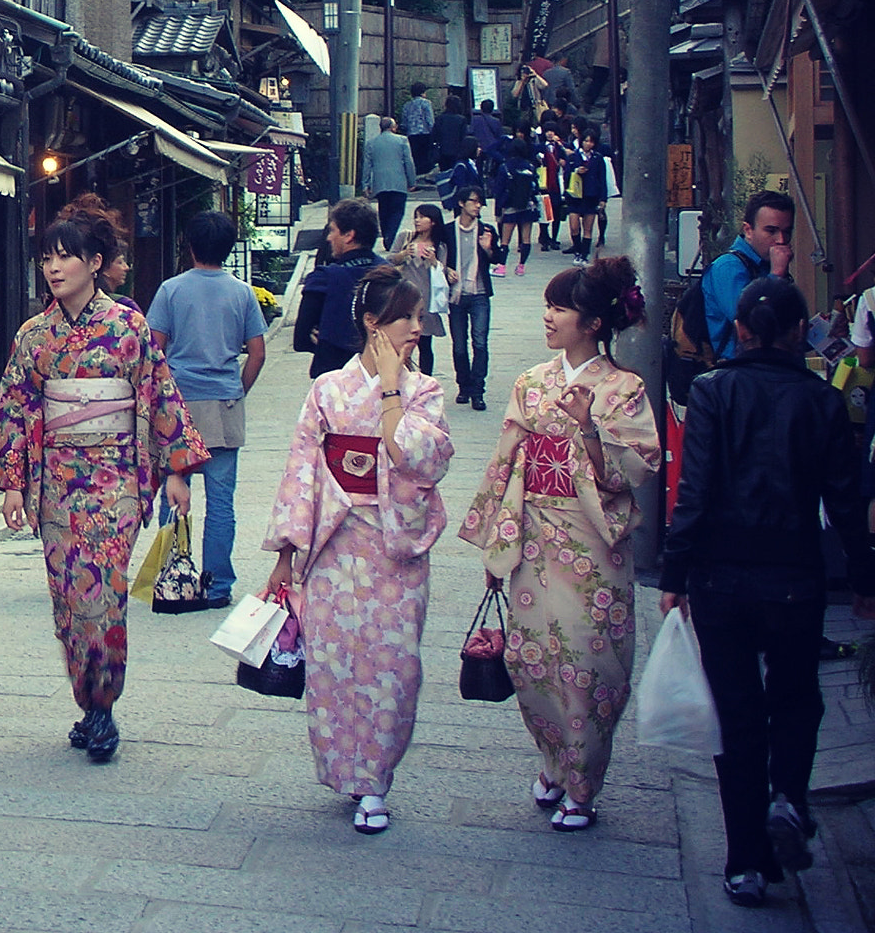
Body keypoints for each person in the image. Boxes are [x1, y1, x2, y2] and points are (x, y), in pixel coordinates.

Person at [661, 277, 875, 907]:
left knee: (737, 712)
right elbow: (845, 501)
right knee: (796, 699)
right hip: (796, 579)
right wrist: (864, 582)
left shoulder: (712, 392)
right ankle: (788, 795)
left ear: (742, 331)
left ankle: (743, 863)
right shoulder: (821, 401)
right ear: (796, 332)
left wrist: (674, 576)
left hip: (721, 580)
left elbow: (693, 492)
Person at [0, 198, 205, 761]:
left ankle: (104, 707)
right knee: (67, 597)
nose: (54, 268)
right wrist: (13, 482)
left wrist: (177, 469)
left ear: (94, 261)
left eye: (66, 257)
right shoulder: (35, 336)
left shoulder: (128, 326)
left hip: (114, 482)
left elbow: (158, 395)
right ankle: (89, 701)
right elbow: (16, 407)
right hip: (58, 483)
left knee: (102, 592)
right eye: (47, 258)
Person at [460, 258, 658, 833]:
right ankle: (553, 761)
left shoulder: (624, 388)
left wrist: (590, 429)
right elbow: (507, 466)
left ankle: (583, 784)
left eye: (560, 308)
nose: (547, 316)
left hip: (591, 544)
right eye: (548, 306)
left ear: (594, 322)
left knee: (589, 665)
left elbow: (635, 473)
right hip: (535, 537)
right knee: (532, 661)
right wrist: (497, 545)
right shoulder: (531, 382)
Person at [264, 264, 453, 836]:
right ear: (372, 323)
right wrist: (285, 552)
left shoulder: (425, 390)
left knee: (394, 665)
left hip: (391, 544)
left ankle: (375, 780)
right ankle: (346, 769)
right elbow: (301, 466)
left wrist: (394, 386)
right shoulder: (328, 390)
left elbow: (421, 460)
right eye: (406, 319)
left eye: (420, 318)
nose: (418, 329)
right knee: (335, 665)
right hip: (334, 545)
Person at [147, 211, 268, 613]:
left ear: (190, 245)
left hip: (179, 405)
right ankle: (217, 586)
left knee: (174, 495)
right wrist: (238, 388)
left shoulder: (171, 291)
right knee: (221, 502)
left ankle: (171, 576)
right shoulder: (243, 293)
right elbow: (257, 352)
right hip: (224, 402)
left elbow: (154, 348)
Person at [294, 199, 385, 378]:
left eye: (333, 230)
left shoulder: (323, 279)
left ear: (349, 235)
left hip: (334, 378)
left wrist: (326, 339)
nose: (328, 238)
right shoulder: (390, 275)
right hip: (383, 373)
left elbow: (301, 339)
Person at [703, 191, 797, 360]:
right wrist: (776, 275)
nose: (781, 240)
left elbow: (780, 332)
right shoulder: (728, 267)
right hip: (743, 373)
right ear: (748, 230)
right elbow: (754, 323)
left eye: (786, 231)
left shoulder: (765, 265)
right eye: (771, 231)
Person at [443, 184, 505, 410]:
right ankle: (464, 386)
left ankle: (478, 391)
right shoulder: (448, 230)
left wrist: (488, 249)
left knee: (480, 342)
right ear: (461, 203)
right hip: (455, 295)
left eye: (480, 202)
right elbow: (440, 257)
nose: (478, 205)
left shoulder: (486, 230)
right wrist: (445, 270)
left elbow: (498, 259)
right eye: (474, 201)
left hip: (479, 294)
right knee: (459, 345)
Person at [390, 204, 450, 378]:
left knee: (425, 344)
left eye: (422, 217)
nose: (417, 221)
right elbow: (390, 260)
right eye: (416, 217)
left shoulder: (440, 246)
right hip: (404, 298)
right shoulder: (405, 237)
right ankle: (402, 377)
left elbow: (443, 271)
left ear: (433, 222)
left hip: (426, 300)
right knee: (401, 343)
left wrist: (433, 261)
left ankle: (425, 380)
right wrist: (403, 254)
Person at [362, 115, 417, 246]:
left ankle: (387, 234)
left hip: (380, 183)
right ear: (393, 127)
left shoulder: (372, 143)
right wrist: (412, 181)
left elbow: (367, 165)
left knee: (384, 211)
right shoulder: (402, 141)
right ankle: (390, 236)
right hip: (398, 182)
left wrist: (365, 184)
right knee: (398, 211)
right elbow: (409, 162)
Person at [564, 127, 610, 266]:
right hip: (575, 196)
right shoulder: (573, 157)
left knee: (588, 228)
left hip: (591, 195)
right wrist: (576, 171)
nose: (588, 144)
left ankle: (584, 254)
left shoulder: (598, 158)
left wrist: (603, 198)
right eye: (586, 141)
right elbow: (566, 176)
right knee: (574, 225)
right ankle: (577, 250)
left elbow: (602, 179)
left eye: (591, 141)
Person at [495, 135, 540, 273]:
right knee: (526, 238)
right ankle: (521, 266)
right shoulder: (530, 166)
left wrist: (498, 210)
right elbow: (535, 187)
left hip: (510, 206)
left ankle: (502, 267)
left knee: (505, 239)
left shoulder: (505, 167)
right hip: (527, 205)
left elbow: (499, 189)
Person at [399, 83, 436, 177]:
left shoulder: (407, 105)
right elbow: (429, 119)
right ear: (423, 92)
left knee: (414, 156)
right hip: (425, 133)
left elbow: (404, 121)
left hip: (411, 133)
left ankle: (415, 174)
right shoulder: (426, 103)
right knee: (425, 156)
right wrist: (433, 131)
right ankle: (424, 174)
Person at [433, 94, 469, 182]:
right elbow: (463, 136)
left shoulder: (440, 118)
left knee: (444, 173)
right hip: (457, 151)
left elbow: (435, 135)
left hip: (442, 150)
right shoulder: (461, 119)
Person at [469, 98, 505, 165]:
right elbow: (500, 136)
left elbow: (471, 132)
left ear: (481, 108)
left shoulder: (475, 119)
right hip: (492, 148)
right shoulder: (496, 121)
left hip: (479, 148)